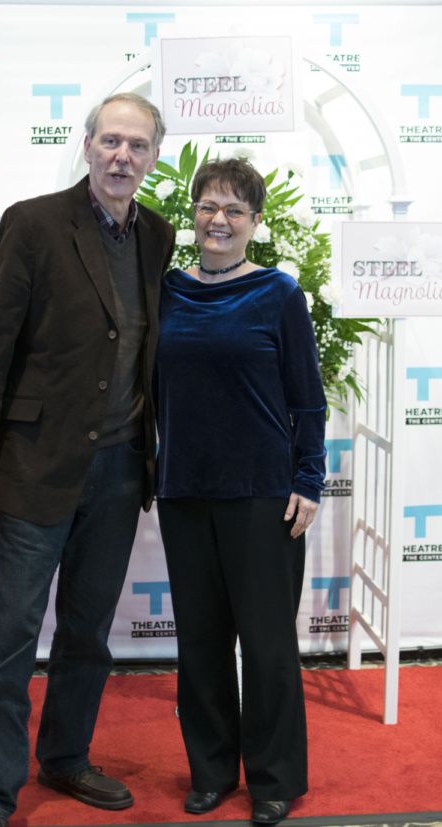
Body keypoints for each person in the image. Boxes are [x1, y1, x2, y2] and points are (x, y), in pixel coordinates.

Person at [0, 92, 175, 827]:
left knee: (86, 632)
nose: (121, 156)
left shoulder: (158, 237)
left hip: (119, 470)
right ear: (86, 144)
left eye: (137, 146)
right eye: (110, 141)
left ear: (153, 157)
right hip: (34, 468)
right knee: (10, 637)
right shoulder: (33, 223)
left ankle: (66, 756)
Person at [155, 158, 326, 826]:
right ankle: (211, 770)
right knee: (199, 644)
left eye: (233, 210)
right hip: (184, 490)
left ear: (255, 222)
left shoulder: (280, 295)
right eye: (207, 206)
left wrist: (308, 480)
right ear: (192, 213)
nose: (218, 220)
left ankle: (275, 778)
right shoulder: (167, 290)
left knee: (267, 645)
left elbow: (307, 402)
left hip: (263, 494)